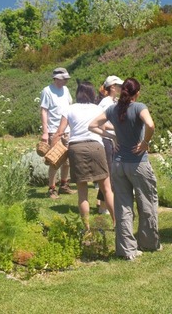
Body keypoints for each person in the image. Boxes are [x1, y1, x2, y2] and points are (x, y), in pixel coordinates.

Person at [89, 77, 160, 260]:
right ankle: (148, 243)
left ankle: (126, 249)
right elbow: (150, 124)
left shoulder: (113, 109)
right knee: (147, 204)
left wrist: (111, 137)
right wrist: (145, 142)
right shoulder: (138, 107)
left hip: (118, 164)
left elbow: (92, 125)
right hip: (138, 164)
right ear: (137, 93)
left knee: (123, 207)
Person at [55, 81, 115, 229]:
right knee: (107, 188)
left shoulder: (69, 109)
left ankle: (86, 228)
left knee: (82, 193)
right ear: (92, 93)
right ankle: (117, 223)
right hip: (96, 147)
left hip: (76, 148)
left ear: (78, 94)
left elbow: (60, 132)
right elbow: (104, 125)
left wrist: (56, 140)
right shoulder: (96, 108)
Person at [39, 67, 75, 199]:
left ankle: (64, 185)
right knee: (55, 160)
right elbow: (44, 111)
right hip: (54, 131)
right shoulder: (47, 91)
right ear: (55, 78)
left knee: (67, 161)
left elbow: (70, 107)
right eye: (62, 79)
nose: (65, 81)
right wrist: (45, 132)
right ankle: (52, 188)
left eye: (66, 79)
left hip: (67, 130)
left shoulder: (65, 90)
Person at [95, 75, 123, 214]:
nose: (121, 88)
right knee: (109, 173)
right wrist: (116, 128)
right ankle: (103, 206)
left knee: (110, 173)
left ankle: (103, 204)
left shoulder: (112, 101)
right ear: (112, 87)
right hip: (106, 140)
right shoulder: (106, 102)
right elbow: (100, 122)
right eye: (119, 86)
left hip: (110, 140)